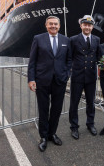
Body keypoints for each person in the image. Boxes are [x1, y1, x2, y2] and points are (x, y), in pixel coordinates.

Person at [28, 16, 71, 152]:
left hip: (59, 81)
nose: (53, 26)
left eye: (56, 24)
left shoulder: (66, 40)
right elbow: (32, 61)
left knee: (56, 109)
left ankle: (52, 133)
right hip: (42, 80)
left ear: (59, 26)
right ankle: (44, 137)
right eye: (51, 24)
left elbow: (69, 60)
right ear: (46, 25)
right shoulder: (38, 38)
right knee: (43, 109)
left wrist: (66, 74)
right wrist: (31, 79)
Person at [69, 15, 100, 139]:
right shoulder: (73, 39)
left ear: (92, 27)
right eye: (85, 25)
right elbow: (69, 57)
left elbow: (98, 57)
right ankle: (74, 127)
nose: (87, 27)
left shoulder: (97, 39)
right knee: (74, 103)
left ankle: (90, 124)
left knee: (90, 102)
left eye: (89, 25)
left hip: (91, 77)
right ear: (81, 25)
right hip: (77, 76)